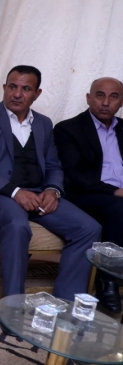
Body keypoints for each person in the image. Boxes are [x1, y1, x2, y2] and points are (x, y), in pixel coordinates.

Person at [0, 66, 101, 300]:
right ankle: (13, 303)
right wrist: (15, 192)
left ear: (37, 94)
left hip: (37, 193)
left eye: (26, 89)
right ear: (4, 88)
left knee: (88, 228)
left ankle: (66, 301)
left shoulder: (43, 123)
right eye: (12, 87)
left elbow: (53, 165)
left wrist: (53, 190)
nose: (17, 94)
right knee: (17, 224)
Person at [54, 77, 123, 312]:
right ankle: (107, 281)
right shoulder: (68, 129)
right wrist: (115, 191)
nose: (105, 102)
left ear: (121, 102)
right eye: (100, 95)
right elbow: (74, 174)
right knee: (119, 208)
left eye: (113, 97)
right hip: (85, 195)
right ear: (88, 98)